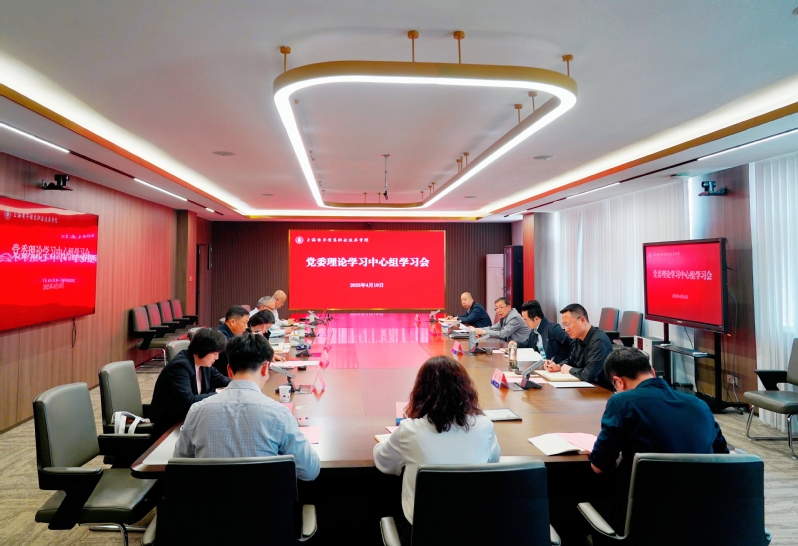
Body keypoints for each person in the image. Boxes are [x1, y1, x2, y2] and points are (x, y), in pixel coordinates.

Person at [589, 347, 729, 532]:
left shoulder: (622, 402)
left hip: (642, 519)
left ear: (618, 382)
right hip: (703, 518)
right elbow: (723, 458)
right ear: (653, 372)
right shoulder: (699, 404)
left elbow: (599, 466)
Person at [373, 356, 500, 543]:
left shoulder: (409, 430)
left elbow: (384, 463)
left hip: (422, 535)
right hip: (474, 531)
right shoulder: (484, 425)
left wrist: (383, 444)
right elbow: (493, 460)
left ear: (421, 391)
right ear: (465, 390)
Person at [174, 333, 320, 481]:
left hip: (208, 495)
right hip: (265, 496)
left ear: (229, 370)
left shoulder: (196, 411)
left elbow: (180, 466)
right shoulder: (280, 414)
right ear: (265, 368)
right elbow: (310, 471)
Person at [149, 328, 231, 438]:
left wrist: (242, 383)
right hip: (171, 426)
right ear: (204, 349)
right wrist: (220, 394)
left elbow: (221, 379)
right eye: (215, 353)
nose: (217, 358)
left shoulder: (203, 363)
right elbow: (189, 401)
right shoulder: (180, 367)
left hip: (190, 419)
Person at [543, 303, 612, 388]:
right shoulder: (578, 338)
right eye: (564, 325)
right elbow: (571, 361)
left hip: (601, 391)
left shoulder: (599, 342)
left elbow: (588, 375)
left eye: (568, 324)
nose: (566, 329)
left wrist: (569, 370)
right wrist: (558, 366)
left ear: (582, 320)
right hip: (584, 389)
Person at [213, 305, 250, 377]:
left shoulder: (233, 334)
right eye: (244, 323)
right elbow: (238, 357)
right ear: (232, 322)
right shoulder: (220, 337)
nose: (246, 327)